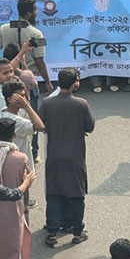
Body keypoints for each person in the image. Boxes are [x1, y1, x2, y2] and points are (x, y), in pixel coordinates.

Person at [38, 68, 95, 248]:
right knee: (77, 194)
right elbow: (90, 126)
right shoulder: (81, 104)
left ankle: (52, 231)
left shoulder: (47, 103)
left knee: (54, 193)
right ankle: (77, 231)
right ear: (75, 83)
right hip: (75, 157)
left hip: (54, 156)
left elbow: (40, 124)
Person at [0, 117, 40, 259]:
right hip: (13, 208)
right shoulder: (21, 158)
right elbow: (27, 182)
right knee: (14, 248)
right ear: (14, 135)